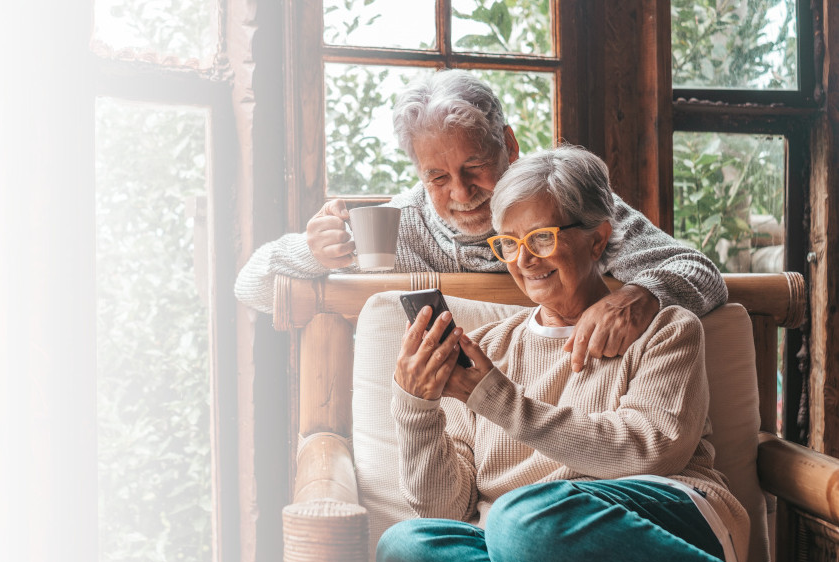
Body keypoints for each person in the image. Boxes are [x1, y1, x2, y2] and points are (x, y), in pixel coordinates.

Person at [376, 146, 786, 562]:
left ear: (598, 239)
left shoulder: (663, 327)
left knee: (522, 518)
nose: (523, 260)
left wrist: (497, 399)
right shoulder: (488, 348)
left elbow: (651, 450)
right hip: (531, 548)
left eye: (541, 238)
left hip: (661, 520)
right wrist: (416, 406)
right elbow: (446, 510)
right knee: (407, 548)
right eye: (508, 243)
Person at [234, 69, 727, 372]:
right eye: (437, 177)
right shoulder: (397, 227)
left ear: (509, 147)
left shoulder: (560, 197)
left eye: (474, 169)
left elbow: (701, 271)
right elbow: (250, 285)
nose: (461, 193)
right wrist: (312, 253)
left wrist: (639, 298)